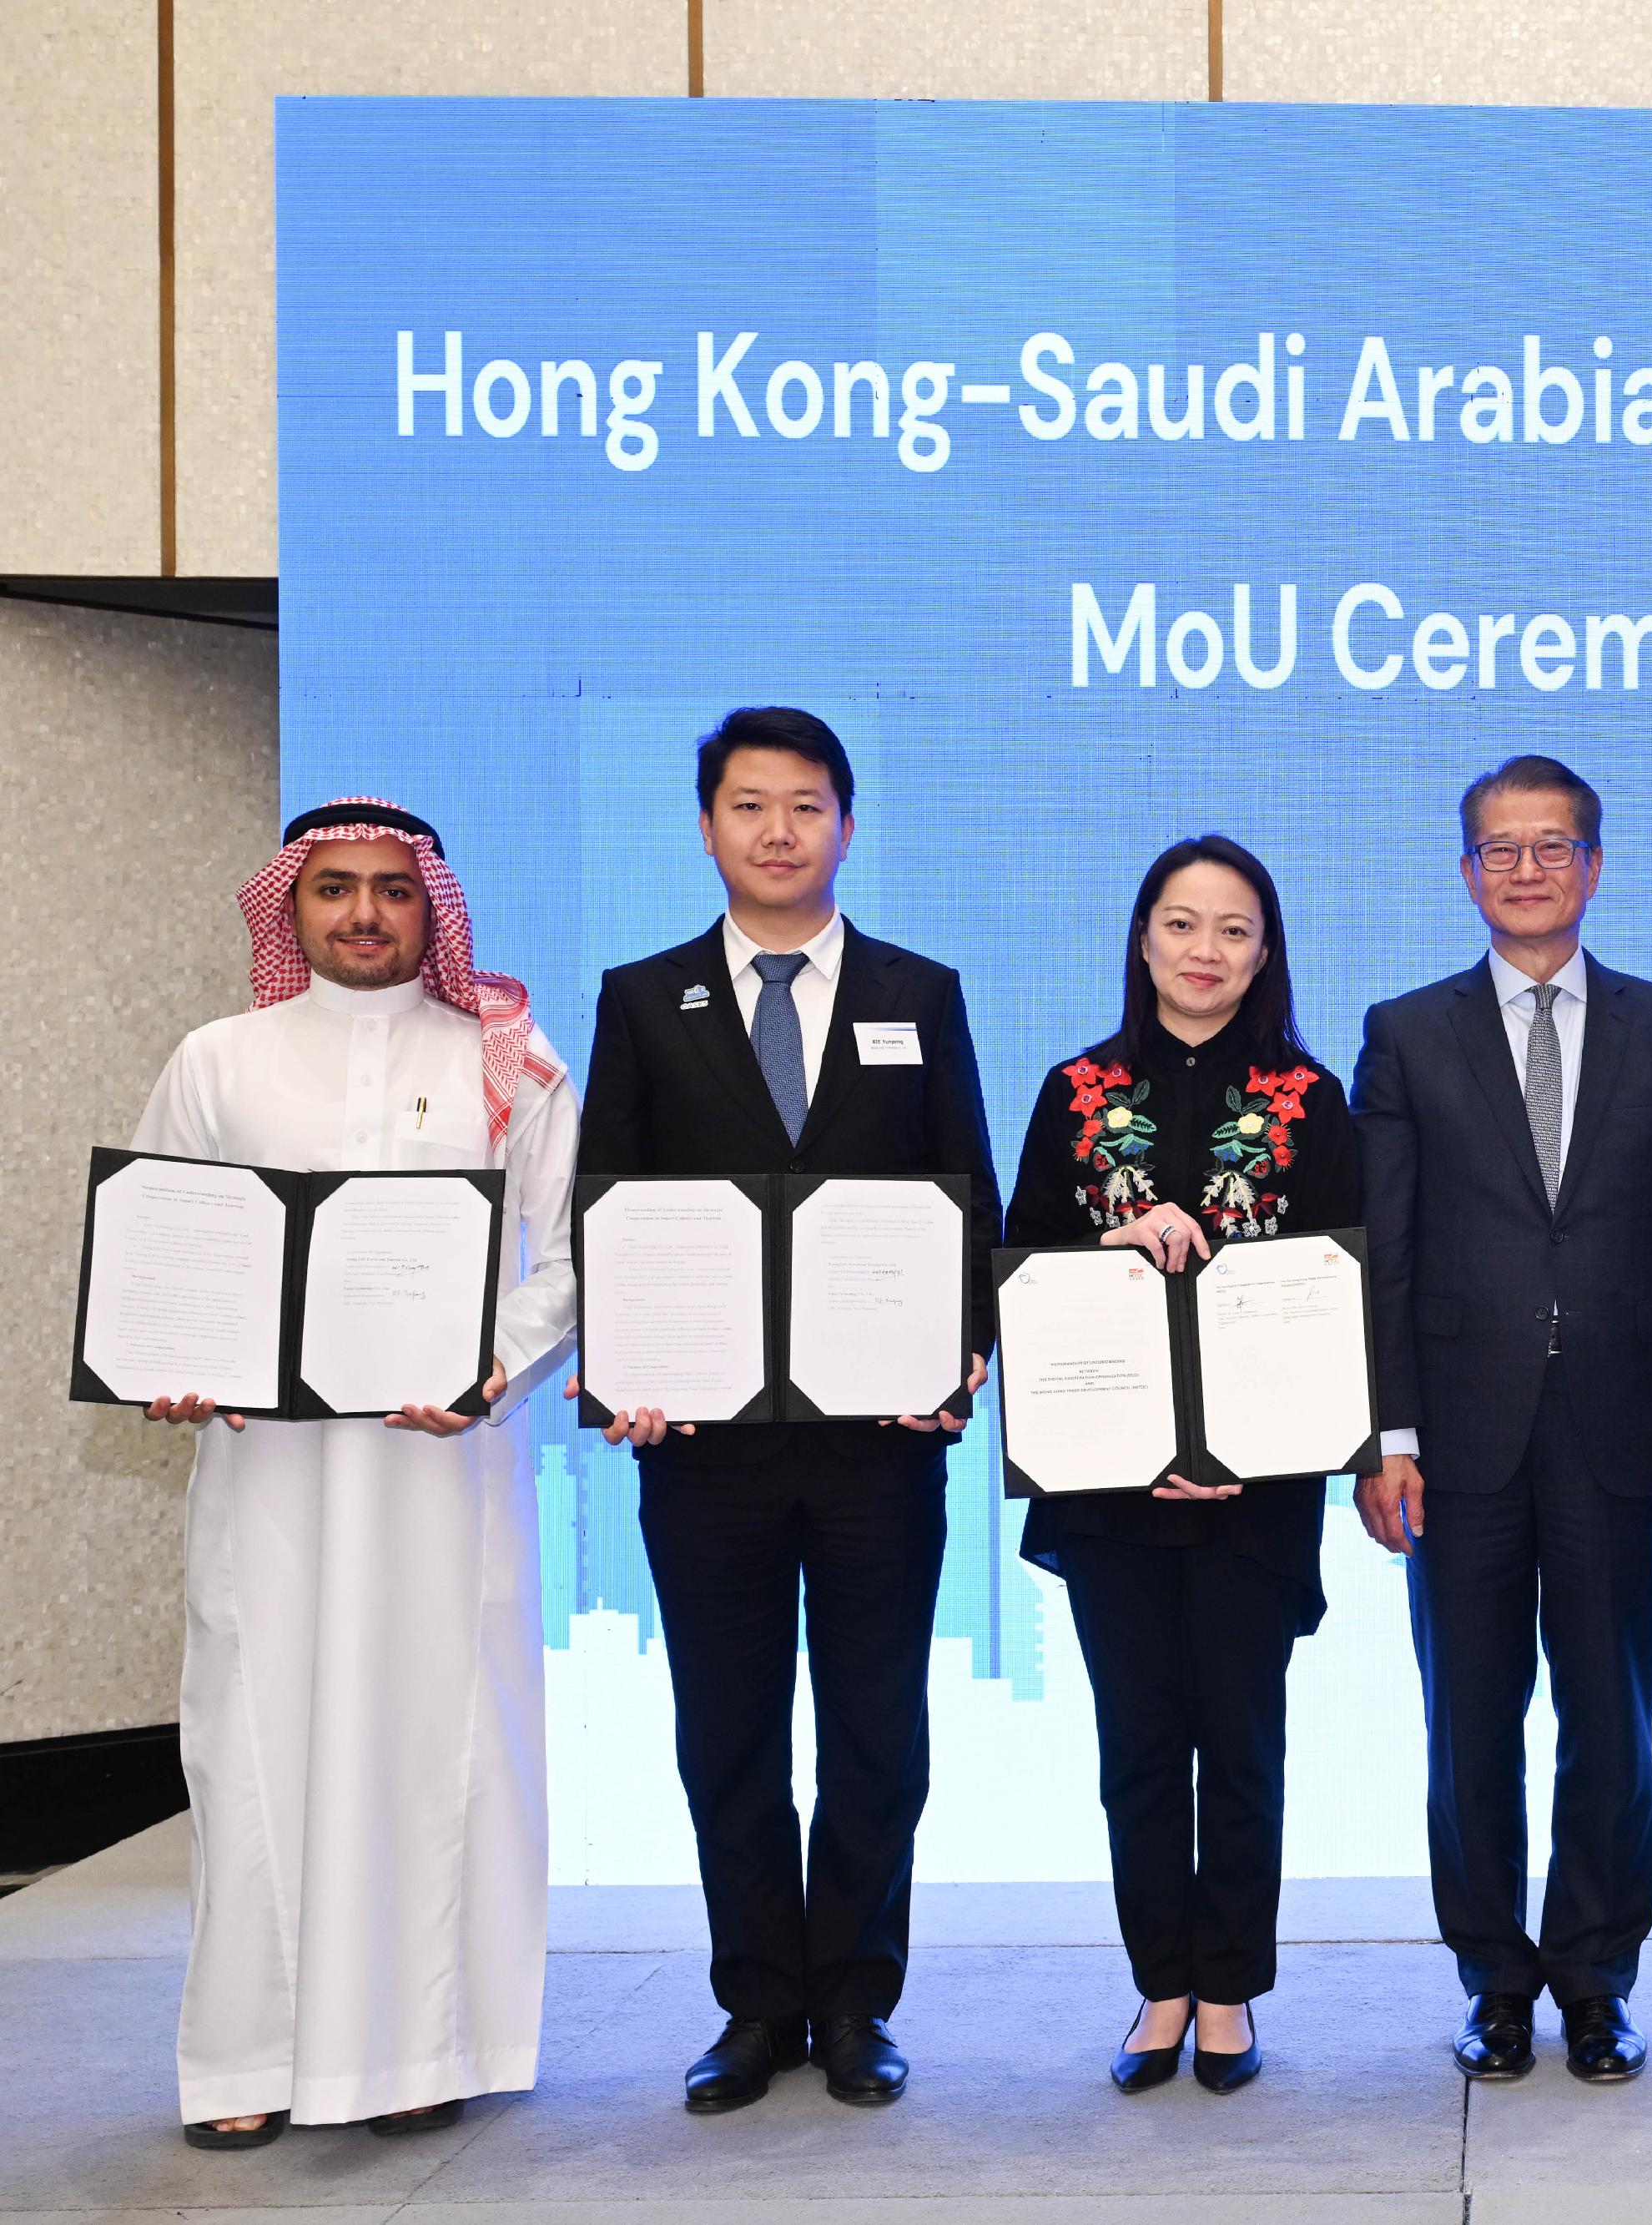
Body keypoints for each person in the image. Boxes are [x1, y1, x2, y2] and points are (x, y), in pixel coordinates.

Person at [131, 799, 578, 2147]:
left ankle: (421, 2047)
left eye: (392, 889)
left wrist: (488, 1370)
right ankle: (247, 2062)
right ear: (293, 905)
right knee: (259, 1745)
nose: (365, 914)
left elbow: (563, 1259)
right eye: (336, 890)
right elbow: (166, 1243)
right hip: (269, 1476)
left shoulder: (513, 1060)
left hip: (440, 1478)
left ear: (431, 906)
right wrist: (173, 1355)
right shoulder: (219, 1058)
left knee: (433, 1744)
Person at [575, 709, 1000, 2114]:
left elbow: (966, 1197)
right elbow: (609, 1209)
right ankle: (756, 2004)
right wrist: (617, 1371)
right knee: (731, 1730)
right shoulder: (643, 999)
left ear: (846, 825)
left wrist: (960, 1359)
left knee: (878, 1725)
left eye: (805, 806)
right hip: (705, 1451)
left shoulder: (917, 990)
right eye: (749, 806)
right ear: (706, 826)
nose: (776, 830)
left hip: (882, 1445)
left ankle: (857, 2001)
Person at [1350, 755, 1652, 2084]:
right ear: (1466, 873)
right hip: (1455, 1443)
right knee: (1470, 1718)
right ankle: (1495, 1977)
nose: (1525, 868)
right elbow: (1381, 1254)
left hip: (1624, 1432)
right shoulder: (1404, 1031)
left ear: (1595, 864)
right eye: (1498, 849)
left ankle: (1597, 1977)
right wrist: (1385, 1438)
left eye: (1551, 845)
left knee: (1611, 1719)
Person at [1002, 835, 1357, 2096]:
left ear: (1266, 951)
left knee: (1243, 1744)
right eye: (1181, 923)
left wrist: (1249, 1452)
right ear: (1142, 935)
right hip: (1111, 1494)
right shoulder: (1077, 1089)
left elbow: (1338, 1293)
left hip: (1257, 1497)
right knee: (1139, 1746)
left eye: (1234, 929)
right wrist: (1112, 1234)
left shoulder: (1310, 1099)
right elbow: (1024, 1273)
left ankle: (1232, 1989)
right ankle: (1161, 1982)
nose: (1205, 950)